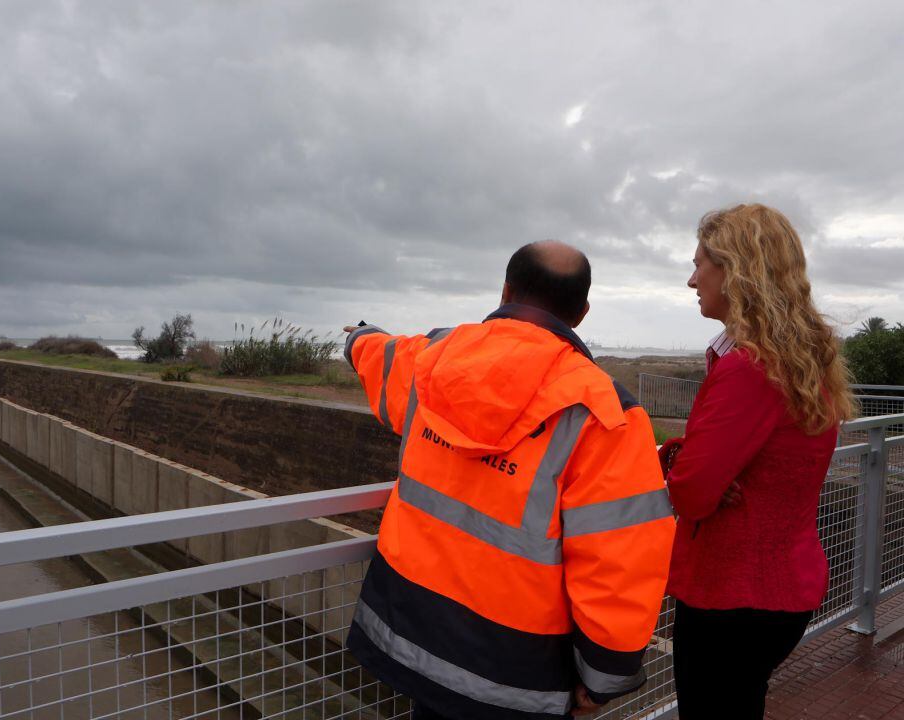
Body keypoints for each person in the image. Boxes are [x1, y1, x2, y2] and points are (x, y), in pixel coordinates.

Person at [342, 241, 675, 720]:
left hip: (415, 634)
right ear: (580, 313)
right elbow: (619, 562)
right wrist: (603, 679)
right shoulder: (606, 414)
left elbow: (381, 356)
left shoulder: (435, 357)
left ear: (505, 290)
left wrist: (359, 337)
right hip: (515, 671)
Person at [661, 204, 854, 718]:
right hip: (779, 588)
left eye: (700, 263)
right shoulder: (798, 358)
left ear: (736, 268)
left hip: (732, 594)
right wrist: (694, 464)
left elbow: (693, 493)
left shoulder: (748, 368)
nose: (691, 279)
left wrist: (680, 467)